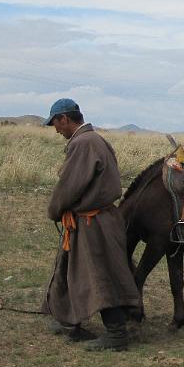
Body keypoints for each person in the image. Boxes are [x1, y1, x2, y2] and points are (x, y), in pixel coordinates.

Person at [42, 98, 141, 351]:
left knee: (101, 275)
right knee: (69, 268)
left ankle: (116, 334)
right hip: (93, 219)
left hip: (93, 222)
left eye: (56, 123)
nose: (55, 129)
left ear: (65, 118)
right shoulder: (92, 140)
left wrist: (55, 210)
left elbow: (69, 186)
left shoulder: (83, 143)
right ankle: (66, 319)